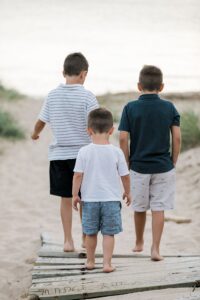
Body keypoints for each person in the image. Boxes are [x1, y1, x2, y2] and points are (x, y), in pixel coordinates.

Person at [31, 52, 99, 252]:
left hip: (59, 156)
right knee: (84, 197)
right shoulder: (88, 96)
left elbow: (41, 121)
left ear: (63, 73)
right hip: (83, 156)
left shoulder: (52, 95)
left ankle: (67, 240)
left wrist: (35, 134)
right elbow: (96, 124)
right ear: (83, 74)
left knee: (66, 198)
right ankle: (85, 237)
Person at [119, 65, 181, 261]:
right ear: (161, 87)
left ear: (139, 86)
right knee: (158, 208)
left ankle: (139, 242)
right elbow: (177, 137)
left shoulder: (130, 108)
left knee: (139, 207)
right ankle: (155, 248)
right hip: (163, 166)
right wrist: (173, 160)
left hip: (138, 166)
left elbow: (122, 138)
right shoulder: (169, 107)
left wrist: (126, 163)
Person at [72, 108, 131, 272]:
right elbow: (125, 176)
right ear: (111, 131)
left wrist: (75, 195)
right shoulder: (117, 152)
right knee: (108, 234)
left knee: (90, 233)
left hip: (89, 200)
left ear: (88, 130)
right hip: (111, 200)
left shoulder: (84, 151)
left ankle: (90, 262)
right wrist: (128, 192)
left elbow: (77, 175)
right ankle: (107, 264)